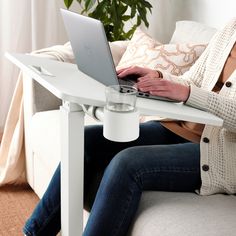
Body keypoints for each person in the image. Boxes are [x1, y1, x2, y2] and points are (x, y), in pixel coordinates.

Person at [23, 18, 236, 236]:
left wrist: (188, 94)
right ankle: (34, 233)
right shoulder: (231, 28)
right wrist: (159, 77)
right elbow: (193, 79)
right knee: (86, 141)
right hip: (181, 127)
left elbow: (195, 93)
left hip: (222, 153)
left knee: (127, 163)